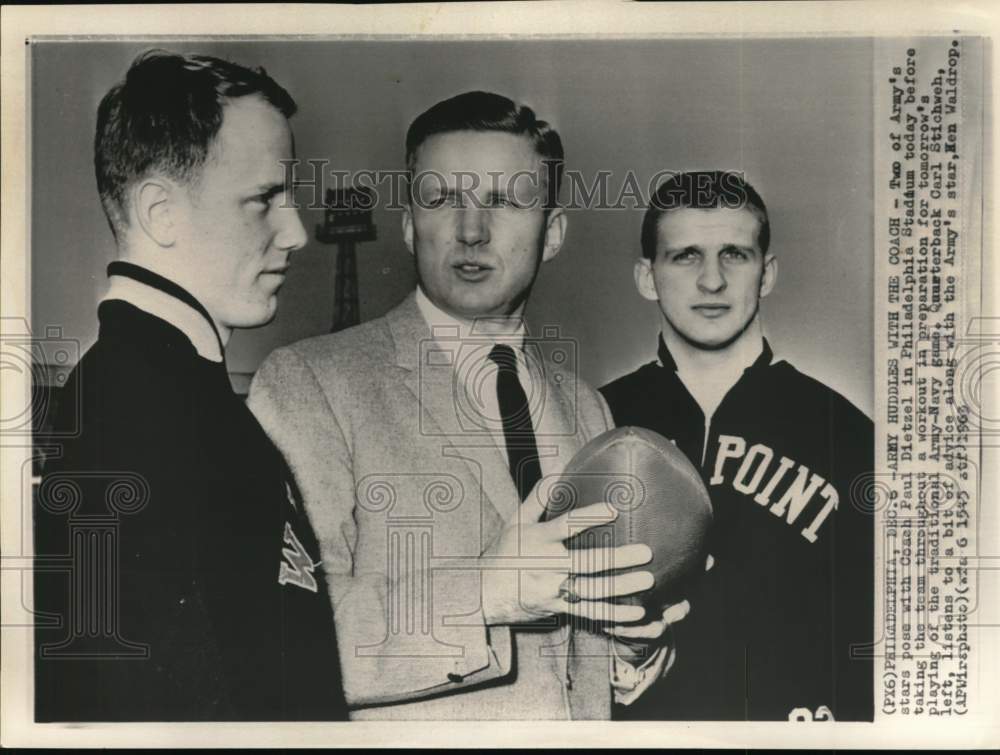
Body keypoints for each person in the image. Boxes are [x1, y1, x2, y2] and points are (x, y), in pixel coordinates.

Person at [248, 91, 686, 720]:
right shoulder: (309, 385)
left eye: (504, 201)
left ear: (553, 233)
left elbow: (578, 666)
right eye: (440, 199)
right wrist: (486, 593)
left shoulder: (587, 407)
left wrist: (632, 648)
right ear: (409, 225)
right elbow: (283, 640)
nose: (471, 230)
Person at [33, 50, 347, 722]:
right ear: (161, 212)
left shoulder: (169, 390)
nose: (295, 231)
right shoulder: (134, 407)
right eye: (263, 199)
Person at [600, 171, 874, 721]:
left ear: (766, 273)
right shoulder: (596, 419)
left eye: (734, 254)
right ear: (647, 277)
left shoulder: (845, 432)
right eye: (685, 256)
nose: (712, 281)